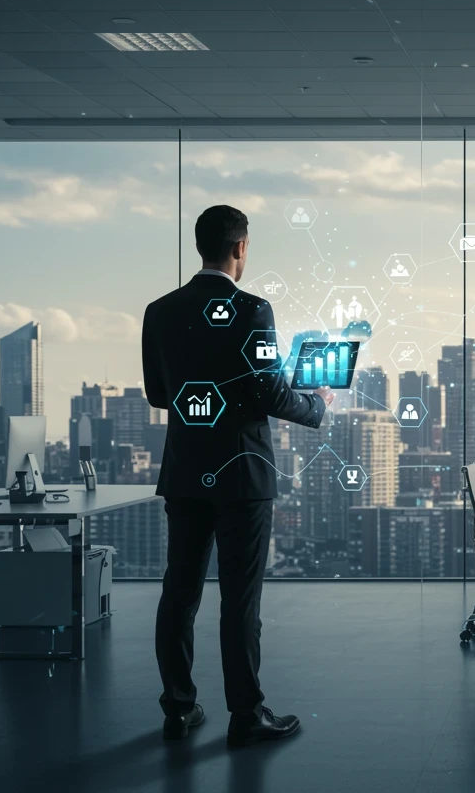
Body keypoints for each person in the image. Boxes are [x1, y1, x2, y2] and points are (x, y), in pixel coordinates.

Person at [143, 205, 335, 748]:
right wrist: (315, 404)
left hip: (185, 473)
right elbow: (268, 393)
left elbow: (159, 394)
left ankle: (178, 709)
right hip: (242, 477)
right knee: (239, 599)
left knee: (178, 592)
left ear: (200, 245)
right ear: (241, 248)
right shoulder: (253, 310)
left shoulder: (159, 311)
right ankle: (245, 715)